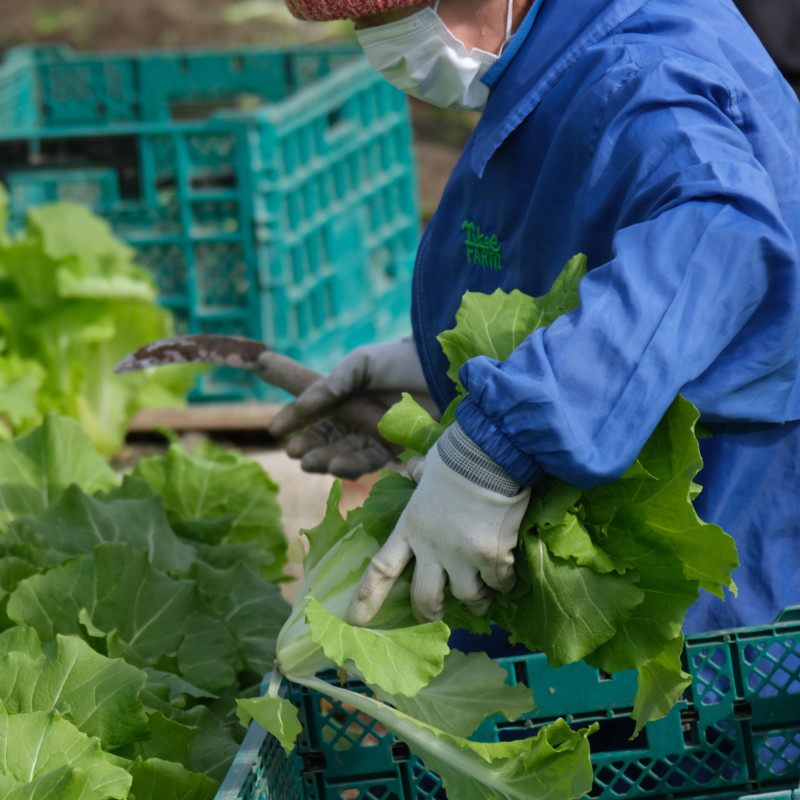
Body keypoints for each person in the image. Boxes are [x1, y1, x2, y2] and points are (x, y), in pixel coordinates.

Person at [272, 0, 800, 636]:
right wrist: (443, 369)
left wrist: (499, 443)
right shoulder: (556, 52)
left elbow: (717, 239)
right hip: (654, 465)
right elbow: (581, 252)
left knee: (711, 685)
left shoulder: (639, 71)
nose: (381, 44)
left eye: (397, 17)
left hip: (728, 493)